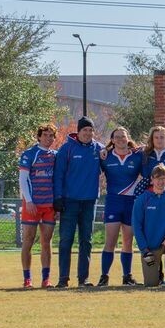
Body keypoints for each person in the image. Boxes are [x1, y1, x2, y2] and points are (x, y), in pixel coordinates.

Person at [54, 116, 105, 288]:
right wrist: (58, 197)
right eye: (85, 130)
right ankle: (63, 279)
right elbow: (58, 174)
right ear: (79, 131)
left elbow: (116, 151)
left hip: (89, 201)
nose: (88, 133)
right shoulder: (66, 149)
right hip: (69, 202)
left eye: (91, 130)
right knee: (66, 240)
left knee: (86, 241)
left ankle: (83, 279)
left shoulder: (98, 149)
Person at [99, 127, 143, 286]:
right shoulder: (105, 156)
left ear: (128, 137)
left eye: (123, 137)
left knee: (127, 241)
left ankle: (127, 276)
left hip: (131, 202)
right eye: (117, 137)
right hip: (113, 201)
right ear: (112, 139)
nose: (120, 139)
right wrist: (103, 149)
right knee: (110, 241)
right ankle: (104, 276)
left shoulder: (137, 155)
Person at [18, 123, 58, 289]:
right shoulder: (30, 154)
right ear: (39, 136)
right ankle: (27, 279)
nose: (49, 138)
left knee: (46, 242)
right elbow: (23, 179)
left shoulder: (56, 155)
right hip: (32, 205)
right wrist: (29, 200)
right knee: (28, 241)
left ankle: (46, 279)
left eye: (51, 136)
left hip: (49, 205)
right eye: (46, 135)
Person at [137, 126, 165, 196]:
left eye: (162, 137)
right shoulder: (143, 153)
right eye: (156, 137)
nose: (159, 140)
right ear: (152, 139)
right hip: (147, 193)